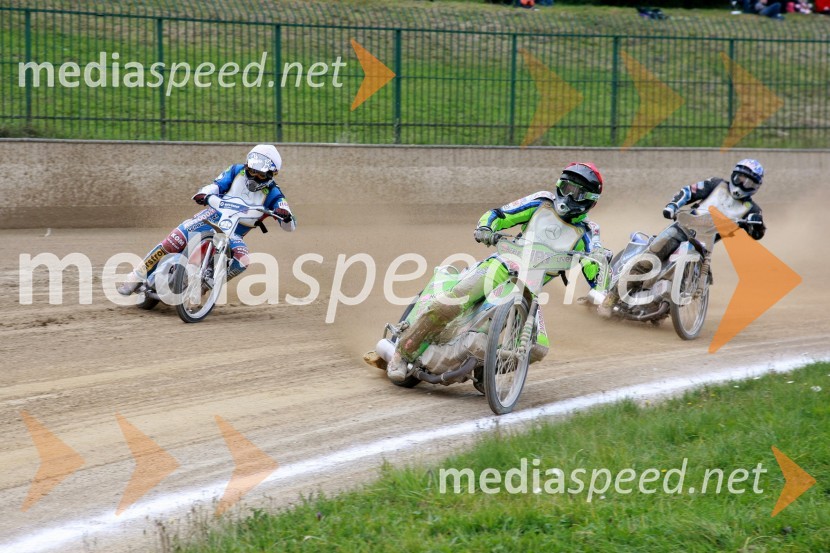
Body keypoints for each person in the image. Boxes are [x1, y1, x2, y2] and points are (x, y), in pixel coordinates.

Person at [386, 162, 610, 382]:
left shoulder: (588, 231)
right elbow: (501, 214)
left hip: (530, 289)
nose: (569, 196)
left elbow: (595, 261)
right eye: (567, 187)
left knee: (538, 347)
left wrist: (600, 292)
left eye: (578, 193)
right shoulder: (542, 202)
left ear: (589, 201)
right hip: (502, 265)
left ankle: (488, 371)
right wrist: (486, 228)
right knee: (449, 304)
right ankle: (402, 353)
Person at [117, 144, 295, 296]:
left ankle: (204, 287)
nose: (254, 177)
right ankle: (136, 276)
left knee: (243, 260)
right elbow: (217, 185)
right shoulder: (235, 171)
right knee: (175, 239)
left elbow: (289, 225)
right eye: (251, 170)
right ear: (247, 166)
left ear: (272, 174)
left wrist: (284, 214)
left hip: (234, 234)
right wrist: (205, 192)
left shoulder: (274, 193)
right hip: (210, 217)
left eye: (261, 175)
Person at [602, 159, 766, 310]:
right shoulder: (716, 184)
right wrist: (673, 205)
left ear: (755, 186)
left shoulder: (752, 209)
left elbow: (758, 233)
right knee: (651, 257)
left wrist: (755, 223)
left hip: (705, 244)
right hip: (684, 227)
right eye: (740, 178)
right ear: (734, 175)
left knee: (692, 274)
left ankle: (661, 305)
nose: (742, 184)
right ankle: (612, 297)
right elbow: (689, 191)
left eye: (749, 181)